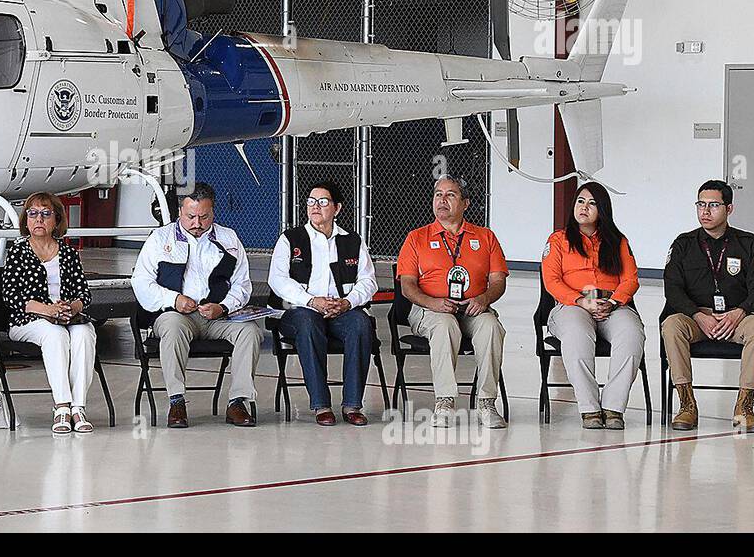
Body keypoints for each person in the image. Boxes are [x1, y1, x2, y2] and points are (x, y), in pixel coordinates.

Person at [130, 182, 261, 428]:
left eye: (204, 217)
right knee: (172, 326)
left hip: (219, 317)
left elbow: (242, 285)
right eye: (191, 216)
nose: (197, 223)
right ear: (180, 212)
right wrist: (174, 300)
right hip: (176, 315)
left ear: (213, 213)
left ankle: (237, 402)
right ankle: (176, 400)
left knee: (250, 332)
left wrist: (223, 307)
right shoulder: (160, 238)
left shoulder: (228, 238)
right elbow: (141, 282)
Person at [396, 175, 508, 428]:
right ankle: (444, 401)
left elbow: (499, 281)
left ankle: (486, 402)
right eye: (438, 194)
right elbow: (407, 286)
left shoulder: (486, 237)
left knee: (491, 326)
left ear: (465, 203)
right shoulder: (417, 238)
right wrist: (431, 302)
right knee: (445, 324)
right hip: (430, 308)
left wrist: (484, 298)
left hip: (473, 308)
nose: (442, 200)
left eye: (450, 195)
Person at [662, 180, 754, 433]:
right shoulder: (683, 244)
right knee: (671, 325)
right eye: (701, 204)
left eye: (713, 205)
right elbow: (673, 289)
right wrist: (697, 315)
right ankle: (687, 404)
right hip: (698, 319)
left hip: (737, 318)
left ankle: (744, 408)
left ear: (729, 208)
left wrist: (740, 312)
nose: (705, 211)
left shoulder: (748, 243)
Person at [268, 182, 378, 426]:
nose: (315, 206)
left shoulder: (352, 241)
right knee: (308, 323)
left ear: (337, 208)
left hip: (341, 310)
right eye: (311, 201)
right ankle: (321, 404)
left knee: (360, 323)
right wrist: (311, 301)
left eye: (323, 202)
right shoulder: (291, 239)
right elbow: (277, 280)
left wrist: (348, 303)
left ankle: (352, 404)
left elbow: (368, 281)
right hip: (301, 311)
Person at [541, 182, 645, 430]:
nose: (584, 208)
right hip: (572, 305)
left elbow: (631, 279)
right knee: (577, 335)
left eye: (592, 203)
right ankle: (589, 408)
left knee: (631, 335)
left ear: (603, 210)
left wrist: (612, 302)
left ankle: (613, 407)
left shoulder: (617, 241)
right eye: (580, 201)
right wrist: (581, 301)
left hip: (612, 305)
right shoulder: (558, 240)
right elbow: (551, 280)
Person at [1, 193, 97, 434]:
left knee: (85, 333)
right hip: (28, 319)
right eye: (32, 214)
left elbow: (84, 294)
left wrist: (70, 308)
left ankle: (79, 407)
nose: (38, 219)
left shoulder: (68, 253)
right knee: (55, 334)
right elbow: (11, 296)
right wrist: (48, 311)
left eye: (45, 214)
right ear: (26, 220)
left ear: (57, 220)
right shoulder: (18, 252)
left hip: (66, 317)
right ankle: (62, 406)